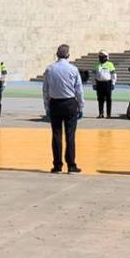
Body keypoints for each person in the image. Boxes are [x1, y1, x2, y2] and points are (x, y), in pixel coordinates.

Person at [42, 44, 83, 174]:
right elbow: (79, 90)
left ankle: (57, 166)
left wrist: (47, 106)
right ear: (68, 55)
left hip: (55, 103)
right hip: (70, 103)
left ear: (57, 55)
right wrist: (81, 106)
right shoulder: (73, 69)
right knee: (70, 135)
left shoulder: (50, 69)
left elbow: (45, 89)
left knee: (56, 135)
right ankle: (71, 165)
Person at [93, 51, 116, 119]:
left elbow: (114, 75)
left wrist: (113, 83)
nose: (101, 58)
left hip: (107, 83)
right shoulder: (96, 65)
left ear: (106, 57)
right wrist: (94, 84)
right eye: (100, 57)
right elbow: (93, 75)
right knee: (100, 99)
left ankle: (108, 114)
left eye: (103, 57)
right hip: (99, 83)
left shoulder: (110, 64)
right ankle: (101, 113)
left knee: (108, 99)